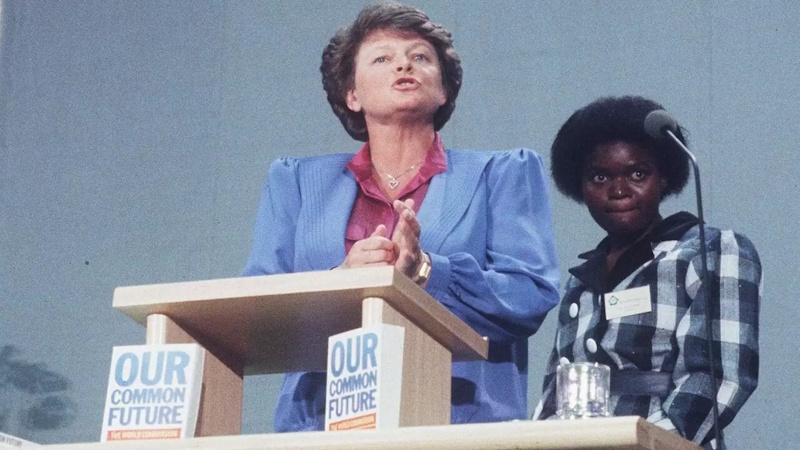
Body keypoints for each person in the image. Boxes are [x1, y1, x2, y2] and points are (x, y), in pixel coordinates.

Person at [242, 1, 560, 432]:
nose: (403, 66)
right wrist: (341, 278)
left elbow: (529, 295)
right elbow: (259, 317)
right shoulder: (296, 182)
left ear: (444, 89)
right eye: (382, 58)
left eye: (419, 57)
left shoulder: (501, 174)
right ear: (351, 93)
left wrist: (426, 272)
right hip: (320, 426)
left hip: (456, 422)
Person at [532, 96, 761, 449]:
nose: (619, 190)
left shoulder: (711, 250)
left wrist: (644, 443)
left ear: (665, 178)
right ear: (580, 187)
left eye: (638, 174)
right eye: (600, 176)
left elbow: (718, 380)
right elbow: (555, 391)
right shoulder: (581, 280)